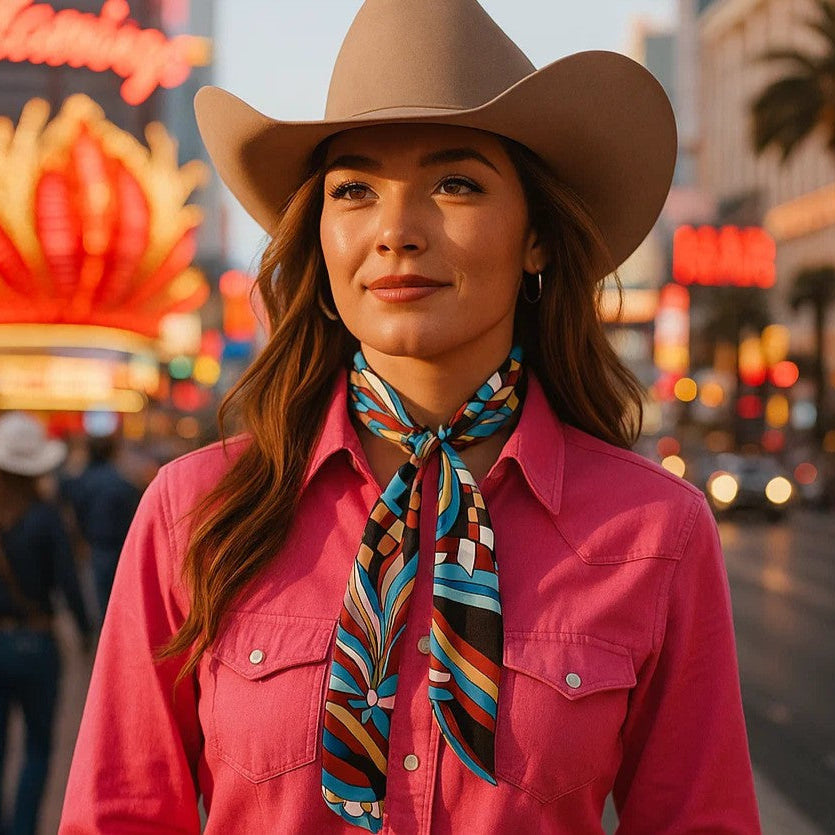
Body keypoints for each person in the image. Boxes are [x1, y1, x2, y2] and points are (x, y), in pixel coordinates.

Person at [60, 1, 761, 832]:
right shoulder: (194, 511)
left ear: (535, 237)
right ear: (318, 239)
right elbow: (121, 814)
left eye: (455, 183)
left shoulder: (655, 531)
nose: (395, 230)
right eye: (353, 189)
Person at [0, 413, 92, 835]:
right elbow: (69, 585)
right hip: (38, 644)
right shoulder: (46, 517)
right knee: (38, 749)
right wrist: (88, 632)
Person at [61, 434, 141, 623]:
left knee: (101, 602)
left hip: (95, 546)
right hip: (122, 547)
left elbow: (74, 513)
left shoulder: (82, 481)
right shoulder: (124, 483)